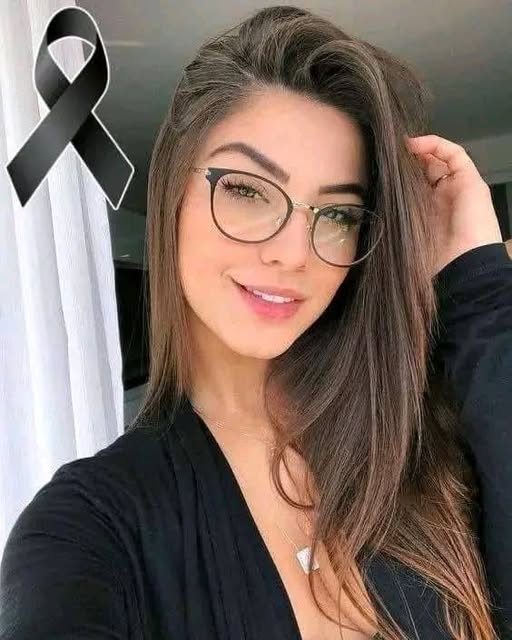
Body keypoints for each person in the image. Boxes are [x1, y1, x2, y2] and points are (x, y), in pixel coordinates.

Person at [1, 5, 511, 640]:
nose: (293, 253)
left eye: (337, 214)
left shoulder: (420, 443)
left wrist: (479, 288)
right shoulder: (88, 528)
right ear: (173, 193)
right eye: (246, 189)